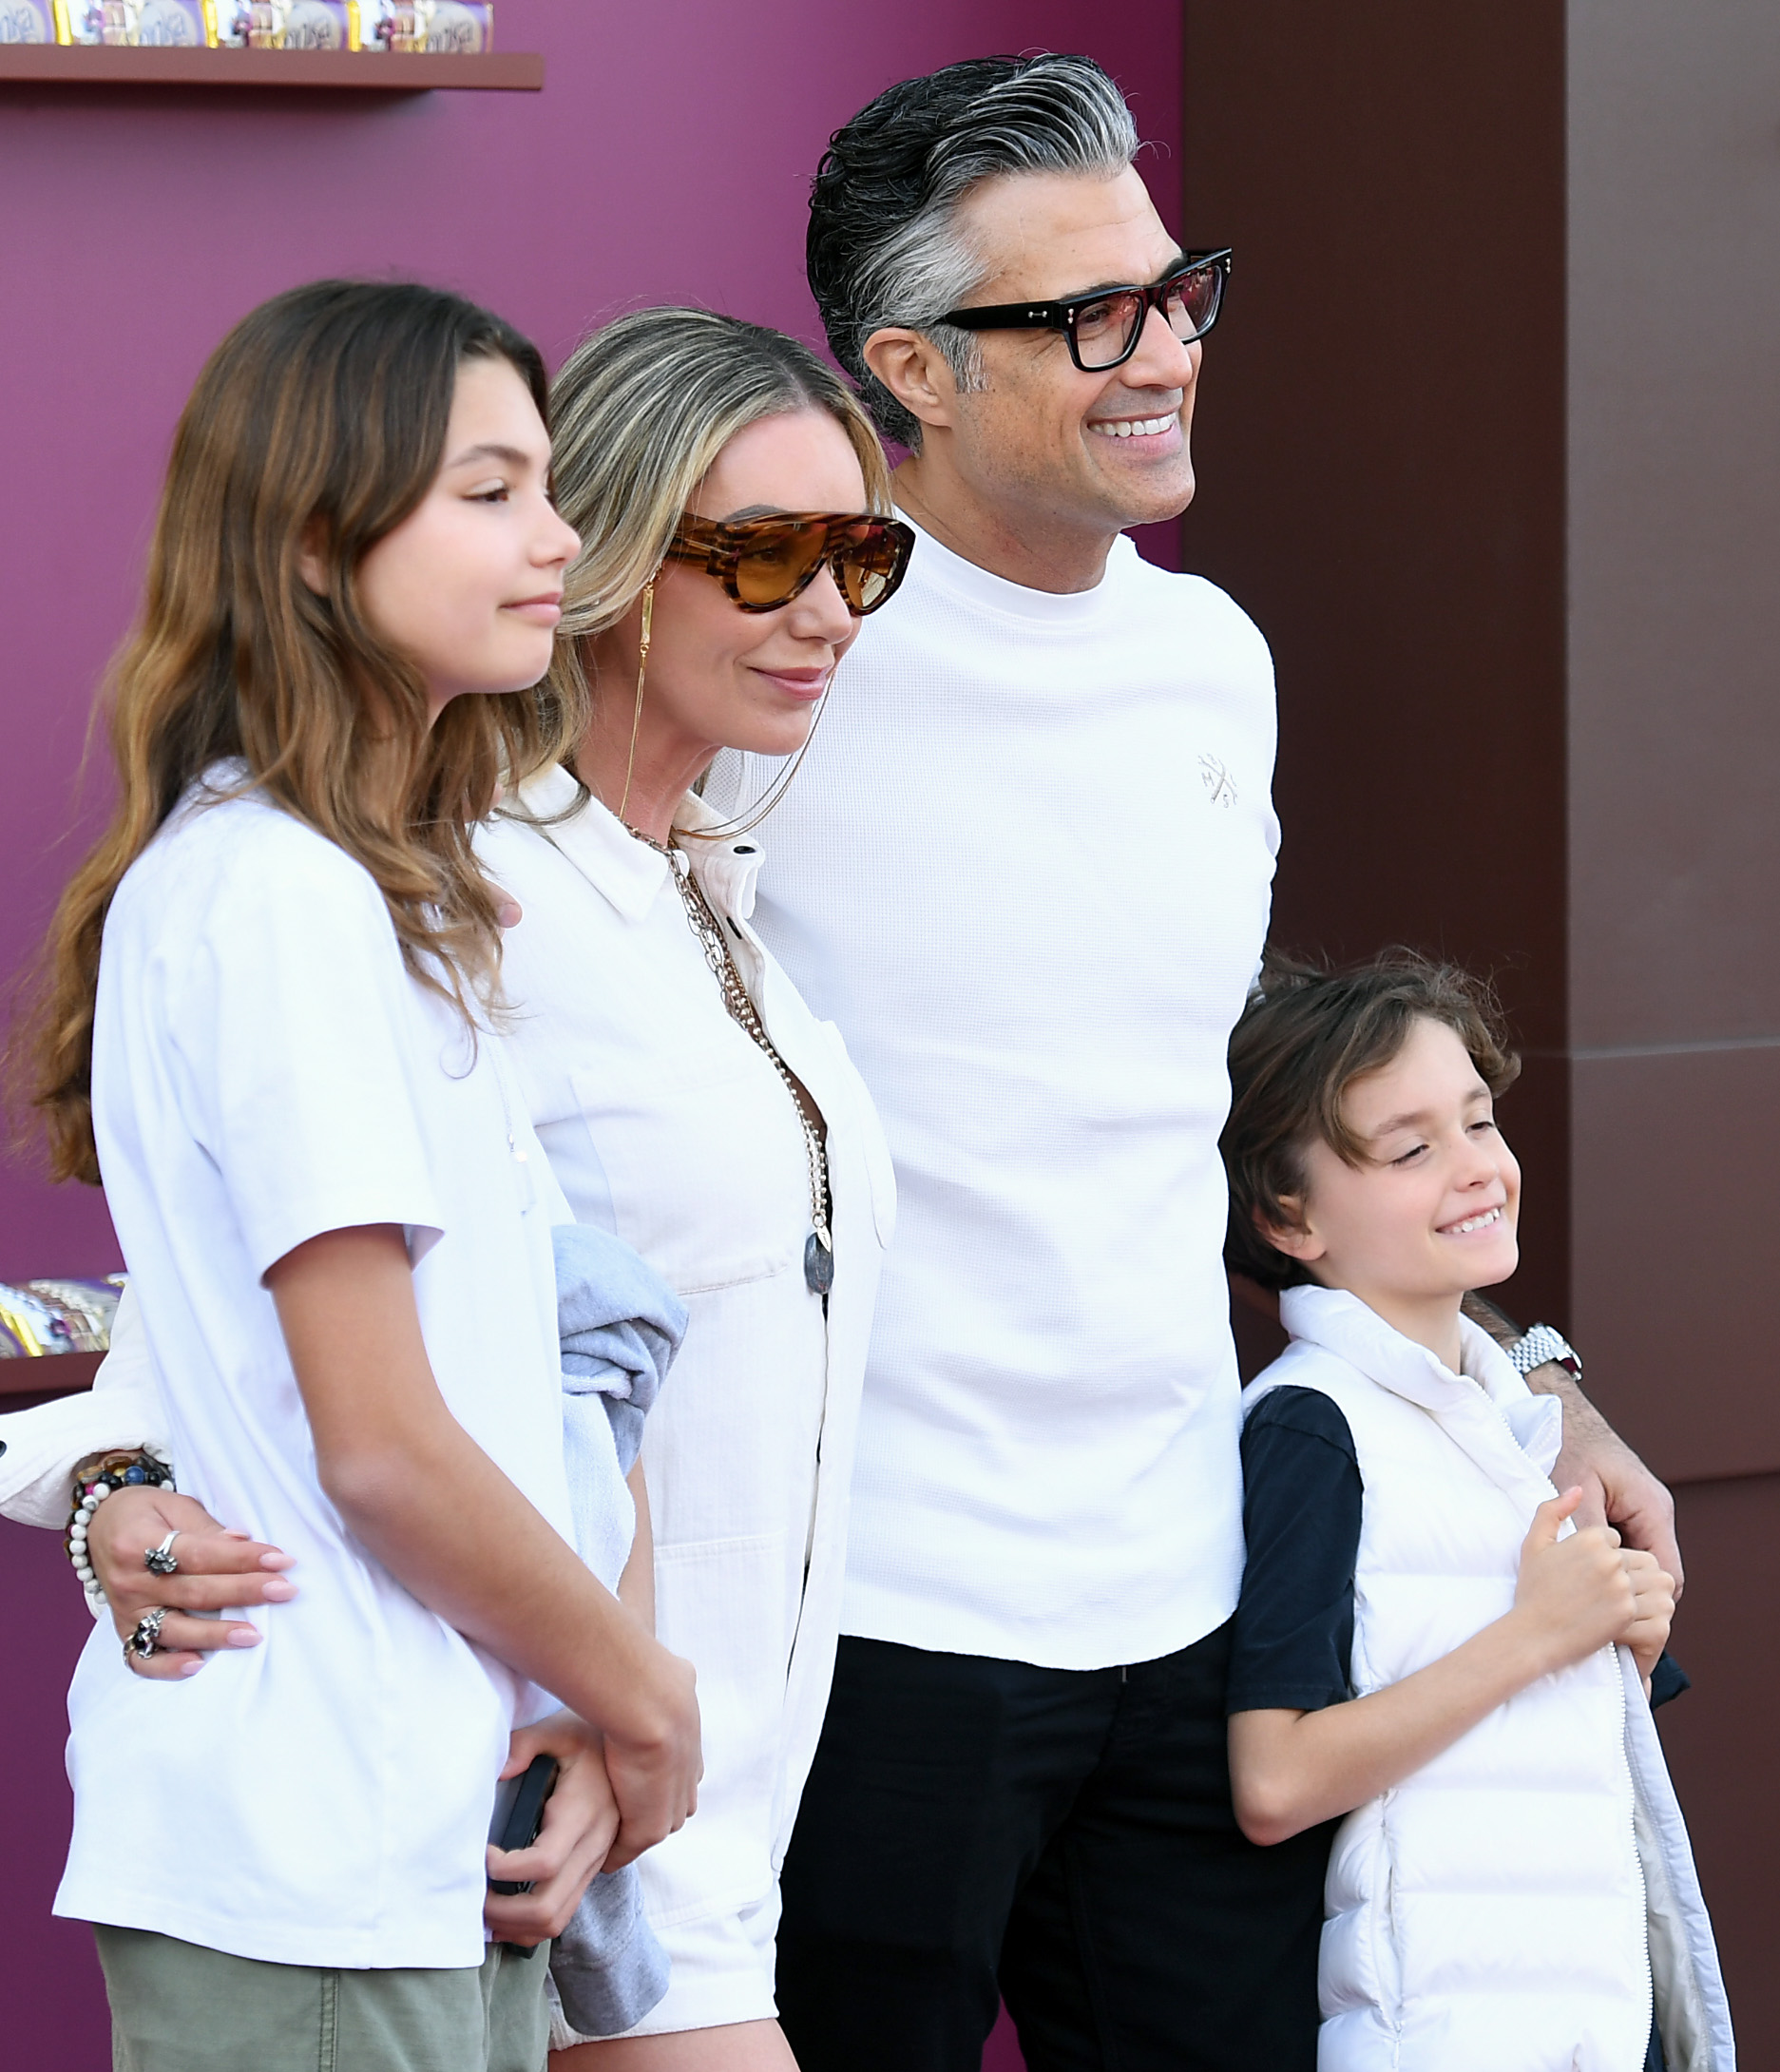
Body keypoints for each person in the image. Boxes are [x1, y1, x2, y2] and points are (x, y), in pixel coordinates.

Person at [703, 52, 1688, 2072]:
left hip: (1190, 1608)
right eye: (1083, 316)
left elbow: (1225, 1119)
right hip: (870, 1617)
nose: (1158, 352)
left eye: (1174, 291)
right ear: (912, 366)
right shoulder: (785, 665)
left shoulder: (1208, 658)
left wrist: (1523, 1378)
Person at [6, 306, 905, 2071]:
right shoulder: (374, 890)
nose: (821, 603)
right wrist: (104, 1480)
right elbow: (301, 1380)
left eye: (858, 552)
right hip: (457, 1797)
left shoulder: (663, 898)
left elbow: (576, 1345)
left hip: (573, 1806)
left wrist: (625, 1700)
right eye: (761, 550)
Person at [1218, 953, 1732, 2071]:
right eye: (1409, 1148)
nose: (1474, 1168)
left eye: (1478, 1122)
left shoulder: (1504, 1414)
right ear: (1287, 1216)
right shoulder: (1311, 1429)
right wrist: (1539, 1634)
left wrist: (1616, 1648)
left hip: (1595, 2011)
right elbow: (1274, 1777)